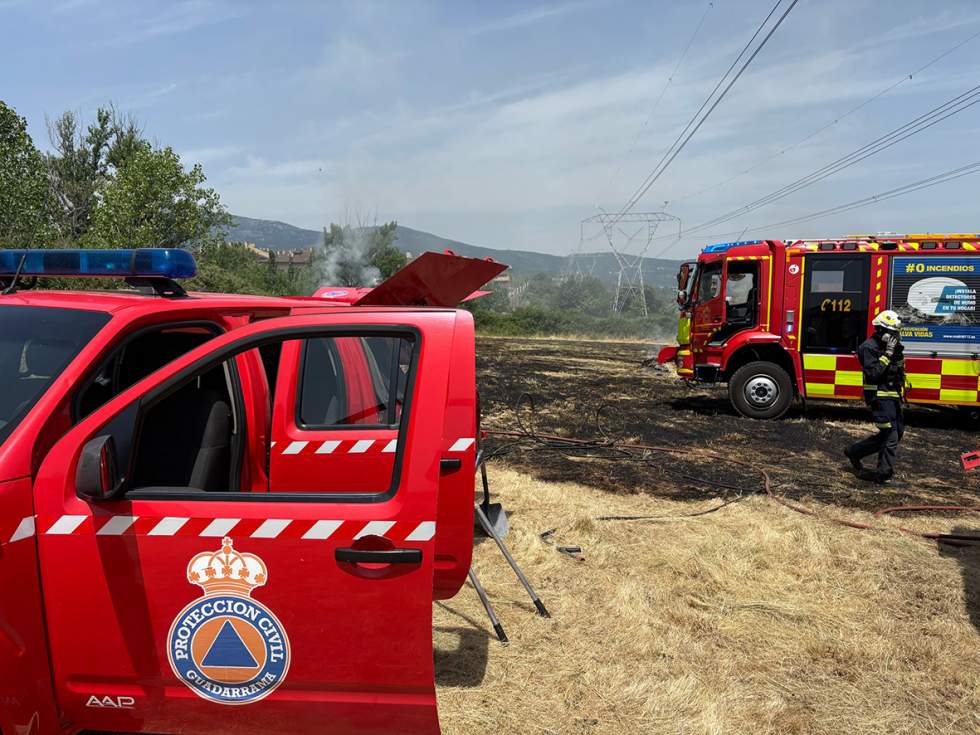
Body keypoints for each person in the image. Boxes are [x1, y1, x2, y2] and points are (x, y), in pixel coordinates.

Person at [844, 310, 906, 483]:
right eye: (891, 332)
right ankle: (883, 474)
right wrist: (887, 355)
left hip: (892, 397)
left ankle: (855, 451)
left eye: (896, 332)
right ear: (880, 330)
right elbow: (873, 374)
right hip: (879, 398)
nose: (894, 336)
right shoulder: (868, 347)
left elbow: (898, 372)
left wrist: (897, 354)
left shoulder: (891, 348)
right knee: (890, 434)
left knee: (897, 433)